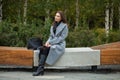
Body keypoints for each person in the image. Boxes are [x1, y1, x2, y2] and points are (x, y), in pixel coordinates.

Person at [33, 11, 68, 76]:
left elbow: (62, 38)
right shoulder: (53, 25)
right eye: (55, 15)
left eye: (58, 16)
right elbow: (51, 36)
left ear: (61, 18)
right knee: (42, 48)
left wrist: (50, 42)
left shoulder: (64, 26)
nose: (56, 17)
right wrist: (47, 42)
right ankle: (40, 69)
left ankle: (40, 70)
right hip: (52, 43)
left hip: (59, 44)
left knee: (45, 49)